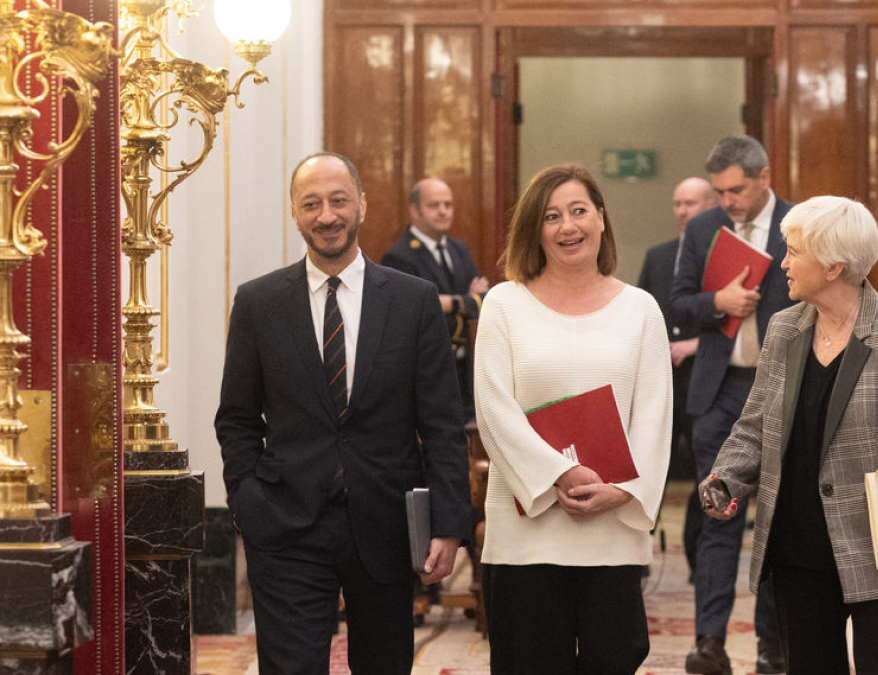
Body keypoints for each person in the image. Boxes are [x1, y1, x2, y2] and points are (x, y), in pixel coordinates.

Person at [215, 152, 473, 675]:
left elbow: (442, 423)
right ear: (294, 212)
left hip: (385, 525)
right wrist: (248, 500)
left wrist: (447, 525)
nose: (326, 215)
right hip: (285, 525)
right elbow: (237, 419)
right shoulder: (258, 303)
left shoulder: (412, 300)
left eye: (338, 201)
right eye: (311, 203)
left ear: (362, 205)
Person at [701, 196, 878, 675]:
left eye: (794, 251)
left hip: (877, 546)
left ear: (832, 265)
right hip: (796, 544)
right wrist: (725, 479)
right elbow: (755, 424)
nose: (783, 263)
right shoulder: (783, 330)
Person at [474, 163, 672, 674]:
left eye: (579, 211)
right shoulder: (504, 303)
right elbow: (494, 409)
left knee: (614, 661)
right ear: (534, 231)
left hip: (611, 528)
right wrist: (559, 473)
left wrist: (623, 491)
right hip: (525, 535)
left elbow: (653, 415)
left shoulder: (641, 309)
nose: (568, 227)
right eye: (551, 216)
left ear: (601, 219)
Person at [671, 136, 792, 675]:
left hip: (781, 392)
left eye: (737, 190)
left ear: (764, 176)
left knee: (778, 523)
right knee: (716, 515)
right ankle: (709, 642)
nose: (729, 202)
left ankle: (773, 642)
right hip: (720, 394)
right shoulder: (702, 229)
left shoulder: (800, 225)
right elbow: (675, 304)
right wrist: (716, 303)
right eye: (720, 192)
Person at [637, 176, 717, 579]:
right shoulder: (658, 256)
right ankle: (635, 553)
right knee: (648, 466)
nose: (683, 211)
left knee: (709, 471)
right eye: (677, 203)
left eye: (691, 203)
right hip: (660, 381)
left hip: (708, 380)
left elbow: (739, 324)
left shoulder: (723, 256)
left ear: (712, 206)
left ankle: (700, 559)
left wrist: (696, 346)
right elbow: (638, 315)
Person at [381, 178, 489, 420]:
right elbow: (416, 310)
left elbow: (484, 298)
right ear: (415, 210)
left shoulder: (459, 249)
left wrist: (451, 303)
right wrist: (466, 300)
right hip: (428, 369)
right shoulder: (399, 257)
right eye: (434, 205)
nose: (443, 211)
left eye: (448, 205)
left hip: (465, 370)